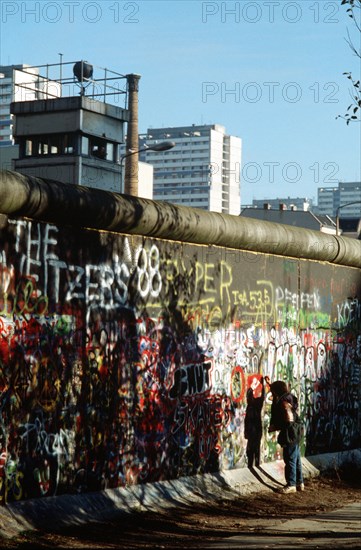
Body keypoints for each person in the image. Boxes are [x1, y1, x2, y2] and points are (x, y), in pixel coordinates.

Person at [268, 380, 304, 494]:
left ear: (276, 391)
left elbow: (288, 420)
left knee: (290, 459)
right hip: (296, 432)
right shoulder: (288, 398)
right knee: (296, 458)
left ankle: (291, 484)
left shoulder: (283, 402)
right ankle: (299, 483)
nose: (271, 394)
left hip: (290, 433)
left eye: (272, 391)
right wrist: (270, 384)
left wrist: (276, 427)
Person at [244, 375, 270, 468]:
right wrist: (262, 384)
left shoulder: (250, 406)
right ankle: (257, 465)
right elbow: (263, 396)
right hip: (257, 431)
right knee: (256, 449)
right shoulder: (258, 404)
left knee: (251, 450)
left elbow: (246, 421)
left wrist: (252, 387)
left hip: (252, 431)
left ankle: (251, 465)